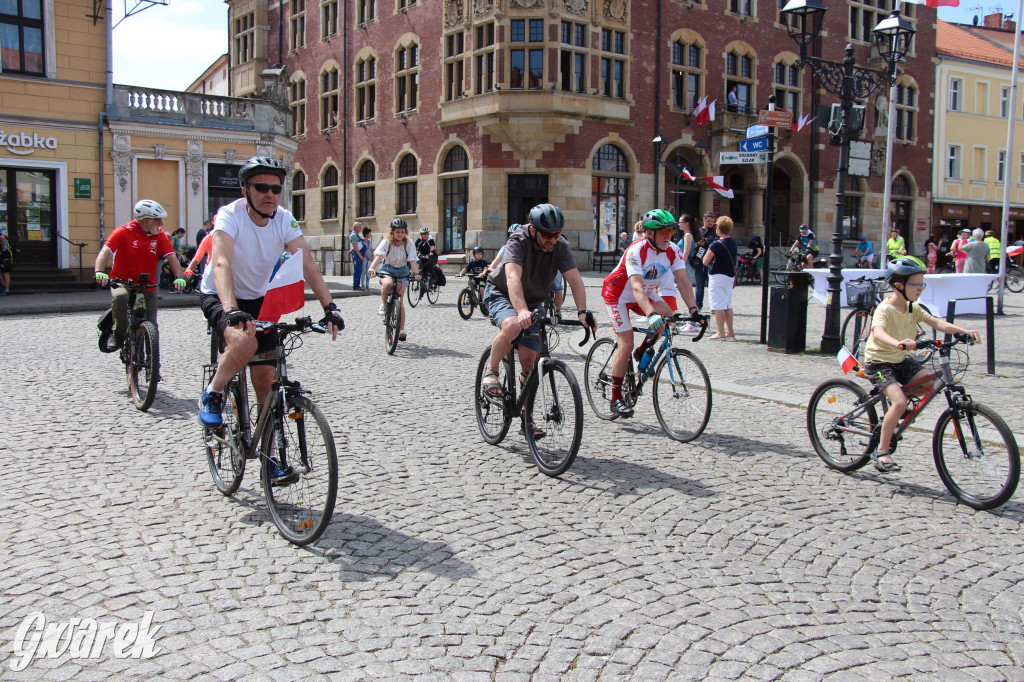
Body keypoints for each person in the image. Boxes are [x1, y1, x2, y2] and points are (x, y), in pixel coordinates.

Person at [197, 156, 344, 477]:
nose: (270, 194)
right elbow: (221, 263)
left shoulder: (284, 219)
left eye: (276, 188)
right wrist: (230, 311)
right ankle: (214, 391)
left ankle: (271, 460)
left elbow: (306, 263)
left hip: (260, 296)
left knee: (266, 378)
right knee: (244, 343)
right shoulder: (229, 215)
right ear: (245, 190)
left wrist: (329, 307)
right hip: (221, 292)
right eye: (261, 187)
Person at [480, 204, 597, 424]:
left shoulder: (560, 246)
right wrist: (521, 310)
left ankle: (527, 418)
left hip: (534, 300)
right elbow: (513, 277)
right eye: (547, 234)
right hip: (502, 292)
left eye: (556, 234)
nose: (552, 239)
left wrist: (582, 312)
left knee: (529, 361)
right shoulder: (518, 240)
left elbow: (574, 279)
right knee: (513, 326)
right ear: (533, 230)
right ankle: (491, 370)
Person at [862, 256, 980, 472]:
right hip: (879, 363)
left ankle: (900, 409)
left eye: (922, 284)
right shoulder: (885, 309)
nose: (920, 289)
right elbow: (877, 332)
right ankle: (882, 451)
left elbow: (936, 322)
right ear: (899, 285)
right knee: (898, 402)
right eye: (916, 284)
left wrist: (964, 332)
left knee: (933, 384)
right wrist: (898, 343)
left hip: (901, 360)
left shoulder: (912, 307)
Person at [600, 209, 699, 417]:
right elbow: (635, 287)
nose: (667, 236)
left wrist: (694, 310)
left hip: (646, 293)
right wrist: (651, 314)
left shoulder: (673, 250)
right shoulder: (636, 250)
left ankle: (642, 350)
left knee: (671, 318)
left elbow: (683, 281)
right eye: (662, 231)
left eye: (670, 231)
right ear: (648, 233)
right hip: (619, 294)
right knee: (626, 343)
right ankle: (615, 398)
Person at [94, 200, 186, 350]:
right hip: (122, 280)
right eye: (158, 220)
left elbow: (171, 257)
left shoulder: (159, 236)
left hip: (147, 283)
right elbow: (105, 252)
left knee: (152, 323)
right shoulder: (123, 232)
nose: (161, 223)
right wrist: (99, 271)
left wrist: (179, 277)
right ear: (146, 220)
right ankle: (119, 333)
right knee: (120, 297)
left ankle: (153, 366)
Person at [367, 218, 421, 340]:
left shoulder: (409, 243)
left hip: (402, 270)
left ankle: (401, 330)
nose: (400, 234)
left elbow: (412, 260)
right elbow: (380, 256)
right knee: (388, 285)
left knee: (400, 299)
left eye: (402, 232)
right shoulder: (387, 242)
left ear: (405, 232)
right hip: (388, 269)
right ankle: (384, 304)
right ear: (392, 232)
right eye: (397, 232)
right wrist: (372, 268)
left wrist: (417, 273)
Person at [702, 215, 738, 340]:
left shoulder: (716, 244)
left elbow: (705, 261)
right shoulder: (733, 243)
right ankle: (730, 331)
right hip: (729, 276)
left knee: (718, 305)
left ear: (718, 228)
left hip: (717, 276)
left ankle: (720, 332)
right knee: (727, 304)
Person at [692, 212, 718, 309]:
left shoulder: (715, 232)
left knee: (712, 286)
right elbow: (692, 246)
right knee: (699, 285)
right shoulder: (698, 232)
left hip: (711, 262)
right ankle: (698, 305)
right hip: (698, 262)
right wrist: (698, 244)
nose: (710, 223)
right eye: (708, 221)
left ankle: (715, 306)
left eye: (712, 221)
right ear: (704, 220)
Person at [677, 214, 699, 288]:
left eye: (680, 222)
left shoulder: (688, 235)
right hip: (687, 264)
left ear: (686, 224)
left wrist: (681, 266)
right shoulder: (687, 235)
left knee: (686, 288)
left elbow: (686, 253)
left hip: (687, 264)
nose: (678, 224)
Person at [349, 221, 365, 290]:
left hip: (358, 254)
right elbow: (355, 247)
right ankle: (356, 285)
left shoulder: (355, 235)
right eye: (360, 227)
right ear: (356, 227)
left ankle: (357, 285)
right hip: (357, 255)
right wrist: (360, 255)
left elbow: (354, 245)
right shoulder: (354, 235)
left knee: (359, 270)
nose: (361, 228)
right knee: (357, 270)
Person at [0, 231, 12, 295]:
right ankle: (4, 285)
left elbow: (2, 237)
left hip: (4, 255)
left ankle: (6, 290)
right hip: (2, 254)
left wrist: (2, 245)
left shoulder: (1, 235)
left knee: (5, 272)